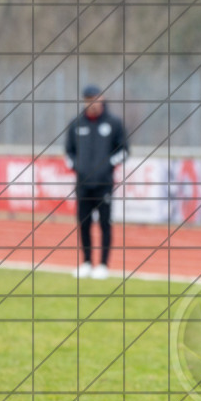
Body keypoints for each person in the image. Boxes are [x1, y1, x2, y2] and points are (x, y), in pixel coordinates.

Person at [65, 84, 129, 279]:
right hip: (83, 184)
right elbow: (69, 152)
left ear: (102, 98)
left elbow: (124, 151)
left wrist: (107, 165)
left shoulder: (114, 123)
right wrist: (78, 166)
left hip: (104, 184)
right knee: (84, 224)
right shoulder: (76, 124)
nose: (92, 102)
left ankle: (103, 264)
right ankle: (86, 262)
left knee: (104, 223)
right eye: (88, 99)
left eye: (95, 98)